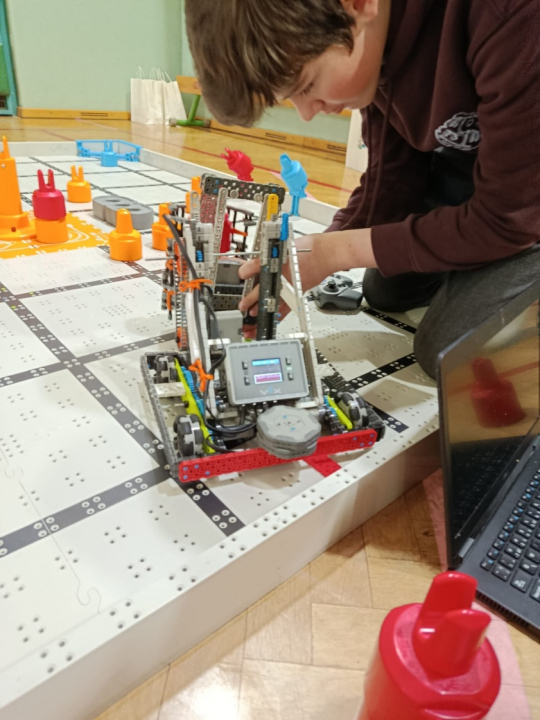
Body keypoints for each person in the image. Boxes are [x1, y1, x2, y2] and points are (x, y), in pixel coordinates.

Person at [184, 0, 540, 378]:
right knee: (387, 290)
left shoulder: (515, 16)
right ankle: (477, 264)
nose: (306, 112)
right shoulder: (376, 38)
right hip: (480, 172)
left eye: (307, 86)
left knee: (446, 352)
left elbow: (507, 218)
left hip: (523, 201)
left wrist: (335, 252)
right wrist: (317, 251)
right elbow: (392, 178)